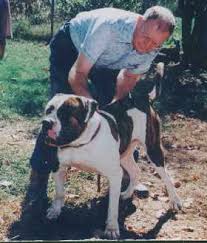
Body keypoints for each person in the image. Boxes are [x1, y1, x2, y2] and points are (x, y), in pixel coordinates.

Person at [27, 6, 175, 209]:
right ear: (140, 21)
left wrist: (114, 107)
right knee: (59, 117)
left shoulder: (152, 47)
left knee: (118, 116)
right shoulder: (108, 28)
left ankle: (124, 172)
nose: (147, 45)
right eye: (145, 37)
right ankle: (39, 178)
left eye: (155, 43)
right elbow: (77, 74)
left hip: (108, 61)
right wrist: (91, 112)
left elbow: (128, 77)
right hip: (70, 47)